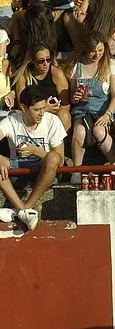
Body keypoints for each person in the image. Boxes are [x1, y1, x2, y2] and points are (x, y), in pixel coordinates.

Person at [0, 88, 65, 233]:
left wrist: (35, 151)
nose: (42, 113)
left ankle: (25, 208)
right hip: (17, 168)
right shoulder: (11, 121)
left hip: (45, 170)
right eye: (37, 110)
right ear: (23, 107)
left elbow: (60, 161)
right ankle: (23, 210)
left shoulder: (52, 121)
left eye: (43, 108)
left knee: (53, 157)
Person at [64, 31, 115, 178]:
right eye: (92, 51)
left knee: (99, 131)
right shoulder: (77, 66)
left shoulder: (111, 65)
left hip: (104, 109)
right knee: (79, 131)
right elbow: (72, 97)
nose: (97, 55)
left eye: (100, 50)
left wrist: (108, 115)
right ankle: (76, 171)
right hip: (82, 110)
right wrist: (75, 97)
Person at [11, 41, 70, 130]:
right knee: (16, 114)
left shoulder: (56, 74)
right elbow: (21, 105)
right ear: (32, 61)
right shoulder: (24, 76)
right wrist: (44, 109)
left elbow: (66, 104)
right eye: (40, 61)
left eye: (48, 59)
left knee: (64, 115)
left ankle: (59, 142)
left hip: (54, 114)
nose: (45, 64)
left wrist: (55, 109)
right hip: (31, 114)